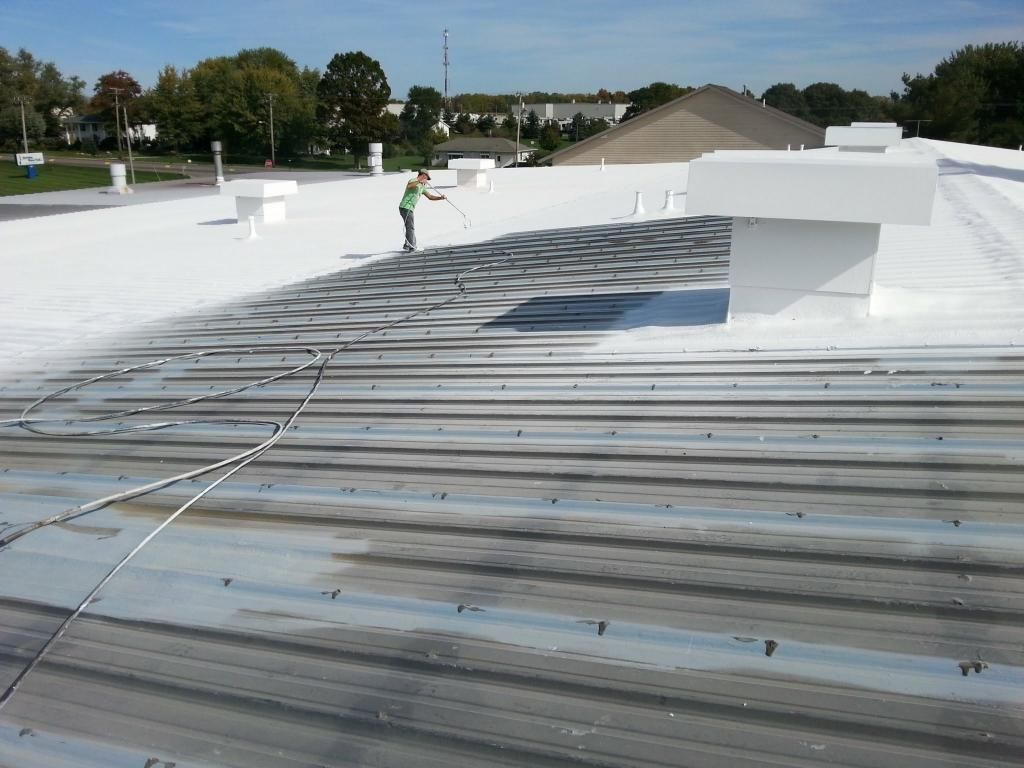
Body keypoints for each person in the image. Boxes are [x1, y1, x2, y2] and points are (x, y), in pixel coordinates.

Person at [399, 170, 445, 252]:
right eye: (427, 178)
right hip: (405, 207)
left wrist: (440, 198)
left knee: (409, 226)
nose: (427, 180)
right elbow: (410, 186)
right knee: (410, 227)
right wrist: (420, 181)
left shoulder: (421, 187)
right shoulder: (413, 180)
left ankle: (407, 245)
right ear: (423, 175)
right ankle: (412, 246)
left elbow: (430, 196)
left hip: (410, 208)